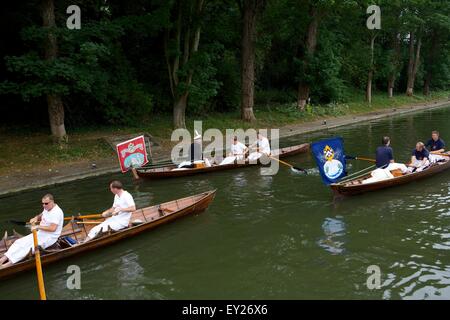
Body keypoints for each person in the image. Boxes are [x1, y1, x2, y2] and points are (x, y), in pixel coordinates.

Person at [0, 194, 64, 268]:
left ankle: (5, 266)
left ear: (52, 202)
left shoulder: (57, 212)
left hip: (50, 237)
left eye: (46, 203)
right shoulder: (47, 208)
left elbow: (53, 229)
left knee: (29, 248)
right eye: (42, 203)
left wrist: (37, 226)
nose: (44, 205)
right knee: (19, 242)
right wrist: (36, 218)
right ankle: (2, 259)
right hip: (41, 233)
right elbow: (42, 214)